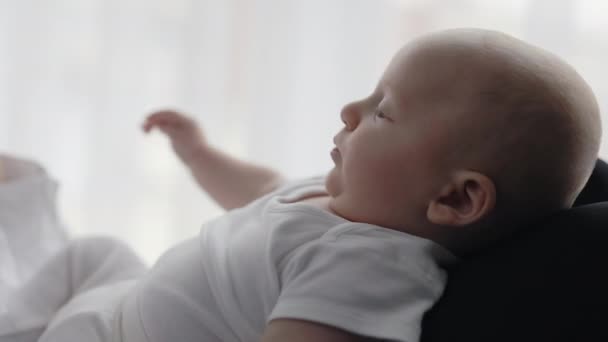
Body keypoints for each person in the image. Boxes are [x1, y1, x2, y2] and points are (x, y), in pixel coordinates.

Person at [0, 28, 601, 342]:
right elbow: (260, 187)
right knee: (96, 251)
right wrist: (199, 154)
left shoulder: (368, 266)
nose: (349, 110)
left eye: (383, 110)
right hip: (118, 305)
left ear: (455, 198)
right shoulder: (344, 199)